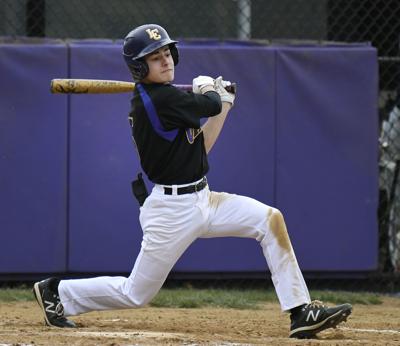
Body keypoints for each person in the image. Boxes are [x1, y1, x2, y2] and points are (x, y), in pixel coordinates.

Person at [33, 24, 352, 339]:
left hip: (204, 199)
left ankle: (301, 311)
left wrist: (223, 104)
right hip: (171, 212)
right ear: (139, 66)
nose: (166, 60)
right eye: (155, 57)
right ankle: (57, 293)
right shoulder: (159, 101)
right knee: (136, 293)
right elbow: (208, 104)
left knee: (269, 220)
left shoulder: (163, 99)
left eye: (166, 52)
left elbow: (201, 147)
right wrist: (212, 92)